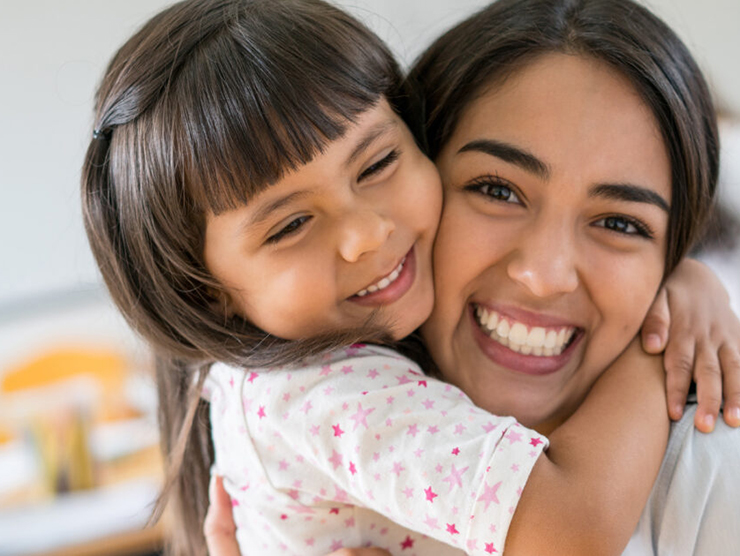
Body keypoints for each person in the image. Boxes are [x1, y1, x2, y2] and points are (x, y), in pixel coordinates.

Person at [80, 0, 738, 555]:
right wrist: (663, 346)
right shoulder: (325, 394)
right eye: (495, 189)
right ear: (206, 292)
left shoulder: (712, 472)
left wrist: (690, 280)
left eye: (376, 166)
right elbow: (571, 529)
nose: (366, 233)